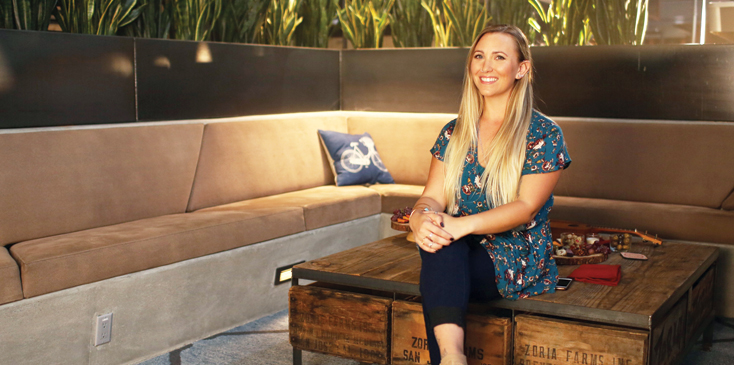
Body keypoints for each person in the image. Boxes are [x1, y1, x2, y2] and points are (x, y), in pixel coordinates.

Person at [408, 24, 571, 365]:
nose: (486, 67)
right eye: (479, 57)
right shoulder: (454, 131)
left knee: (442, 254)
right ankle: (454, 359)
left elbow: (525, 208)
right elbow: (431, 197)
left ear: (521, 69)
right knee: (439, 244)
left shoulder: (543, 133)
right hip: (458, 244)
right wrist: (420, 217)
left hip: (516, 255)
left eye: (499, 57)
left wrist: (458, 226)